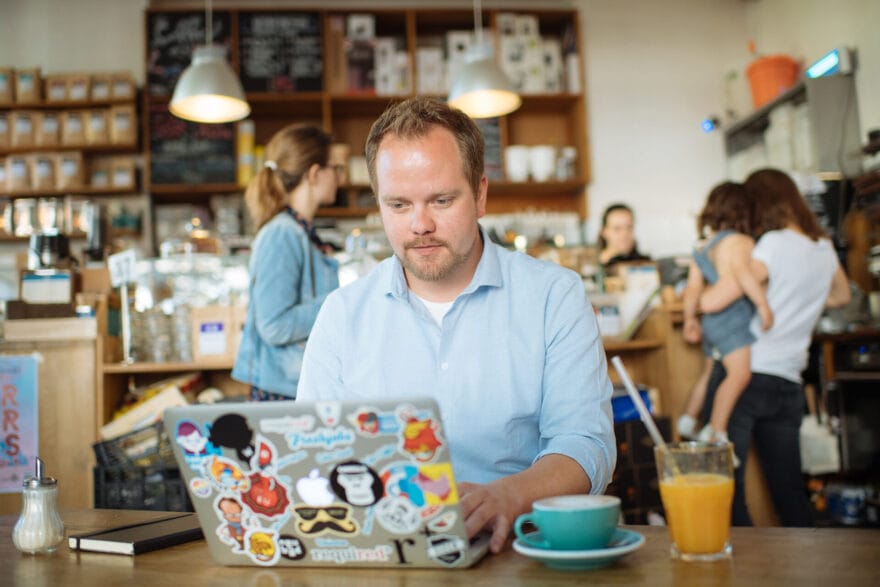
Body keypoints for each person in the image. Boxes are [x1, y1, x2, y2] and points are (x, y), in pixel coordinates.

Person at [297, 97, 616, 554]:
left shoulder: (554, 296)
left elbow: (586, 443)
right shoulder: (341, 314)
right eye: (398, 205)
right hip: (384, 556)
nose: (420, 225)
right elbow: (309, 454)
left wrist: (510, 495)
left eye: (441, 200)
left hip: (518, 551)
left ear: (480, 195)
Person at [699, 168, 851, 527]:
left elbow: (715, 299)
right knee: (789, 492)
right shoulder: (823, 247)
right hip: (789, 382)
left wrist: (697, 288)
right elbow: (841, 296)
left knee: (726, 488)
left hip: (747, 375)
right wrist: (803, 297)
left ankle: (737, 563)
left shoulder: (772, 244)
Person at [231, 124, 340, 401]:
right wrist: (338, 304)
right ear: (314, 173)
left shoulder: (300, 231)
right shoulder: (282, 233)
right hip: (282, 392)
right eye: (334, 168)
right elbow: (274, 325)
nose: (338, 177)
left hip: (297, 384)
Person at [678, 182, 773, 443]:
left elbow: (693, 288)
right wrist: (763, 305)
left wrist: (689, 319)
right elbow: (742, 273)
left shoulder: (701, 247)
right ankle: (716, 430)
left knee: (710, 373)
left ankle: (688, 419)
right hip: (732, 319)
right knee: (739, 375)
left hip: (710, 323)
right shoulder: (741, 241)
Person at [597, 203, 650, 271]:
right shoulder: (592, 268)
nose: (624, 234)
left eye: (629, 227)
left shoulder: (646, 265)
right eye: (617, 228)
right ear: (604, 231)